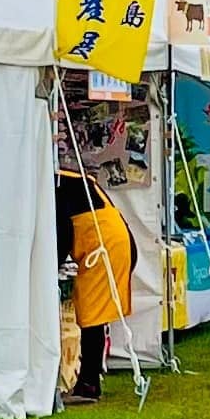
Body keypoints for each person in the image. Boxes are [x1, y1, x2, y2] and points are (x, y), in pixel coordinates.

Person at [56, 166, 135, 405]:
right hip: (115, 239)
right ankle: (90, 377)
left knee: (92, 316)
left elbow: (61, 231)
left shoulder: (57, 185)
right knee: (94, 314)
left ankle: (89, 383)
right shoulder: (72, 178)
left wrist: (54, 264)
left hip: (104, 245)